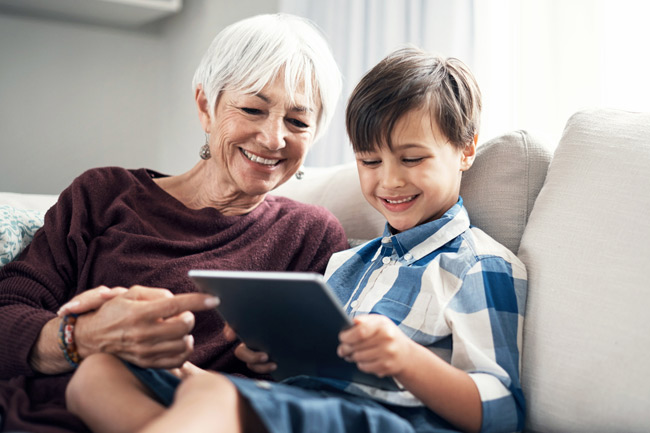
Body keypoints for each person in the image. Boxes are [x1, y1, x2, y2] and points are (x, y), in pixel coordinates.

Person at [66, 47, 528, 433]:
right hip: (302, 404)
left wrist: (405, 358)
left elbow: (503, 410)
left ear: (466, 150)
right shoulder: (349, 261)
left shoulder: (475, 263)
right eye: (369, 162)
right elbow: (316, 367)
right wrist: (269, 354)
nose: (389, 181)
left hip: (387, 419)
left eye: (411, 158)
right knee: (101, 372)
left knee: (213, 391)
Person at [0, 13, 348, 433]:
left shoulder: (311, 235)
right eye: (254, 108)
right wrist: (84, 336)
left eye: (298, 121)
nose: (274, 138)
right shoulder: (104, 194)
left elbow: (311, 386)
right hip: (50, 413)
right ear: (206, 106)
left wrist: (278, 362)